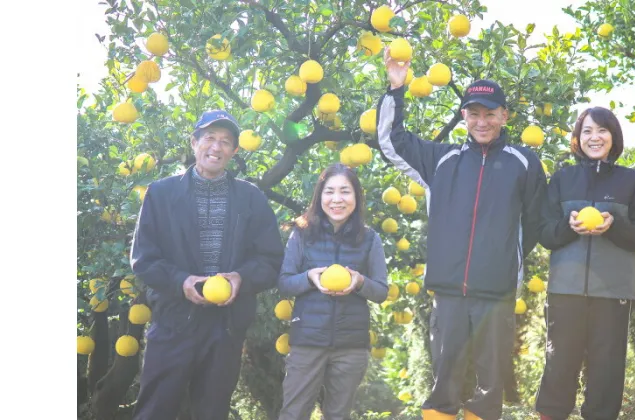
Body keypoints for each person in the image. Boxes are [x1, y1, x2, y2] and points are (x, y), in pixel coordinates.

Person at [376, 48, 547, 420]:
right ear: (463, 116)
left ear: (504, 116)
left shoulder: (524, 163)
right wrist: (396, 89)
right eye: (473, 113)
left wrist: (503, 256)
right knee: (444, 382)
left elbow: (535, 221)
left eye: (489, 113)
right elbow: (391, 142)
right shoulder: (442, 160)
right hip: (449, 291)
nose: (481, 121)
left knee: (491, 383)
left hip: (496, 291)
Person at [129, 109, 285, 420]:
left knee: (211, 413)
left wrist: (242, 278)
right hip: (175, 320)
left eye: (226, 142)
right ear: (194, 142)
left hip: (225, 327)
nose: (216, 147)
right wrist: (181, 281)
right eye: (210, 138)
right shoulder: (161, 193)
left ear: (235, 151)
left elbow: (271, 259)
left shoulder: (250, 197)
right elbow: (144, 258)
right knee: (155, 411)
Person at [534, 107, 635, 420]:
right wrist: (567, 227)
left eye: (602, 130)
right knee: (559, 366)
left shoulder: (633, 181)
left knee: (606, 372)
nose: (594, 137)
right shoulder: (562, 179)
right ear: (578, 138)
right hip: (565, 292)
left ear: (613, 136)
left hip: (613, 293)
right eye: (587, 131)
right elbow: (545, 233)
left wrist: (613, 225)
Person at [277, 163, 389, 420]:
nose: (337, 199)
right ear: (319, 196)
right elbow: (284, 282)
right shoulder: (302, 234)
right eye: (329, 191)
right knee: (293, 413)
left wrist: (360, 282)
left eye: (345, 192)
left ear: (356, 197)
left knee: (338, 415)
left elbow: (381, 291)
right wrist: (309, 277)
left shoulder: (370, 238)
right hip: (307, 342)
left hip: (351, 346)